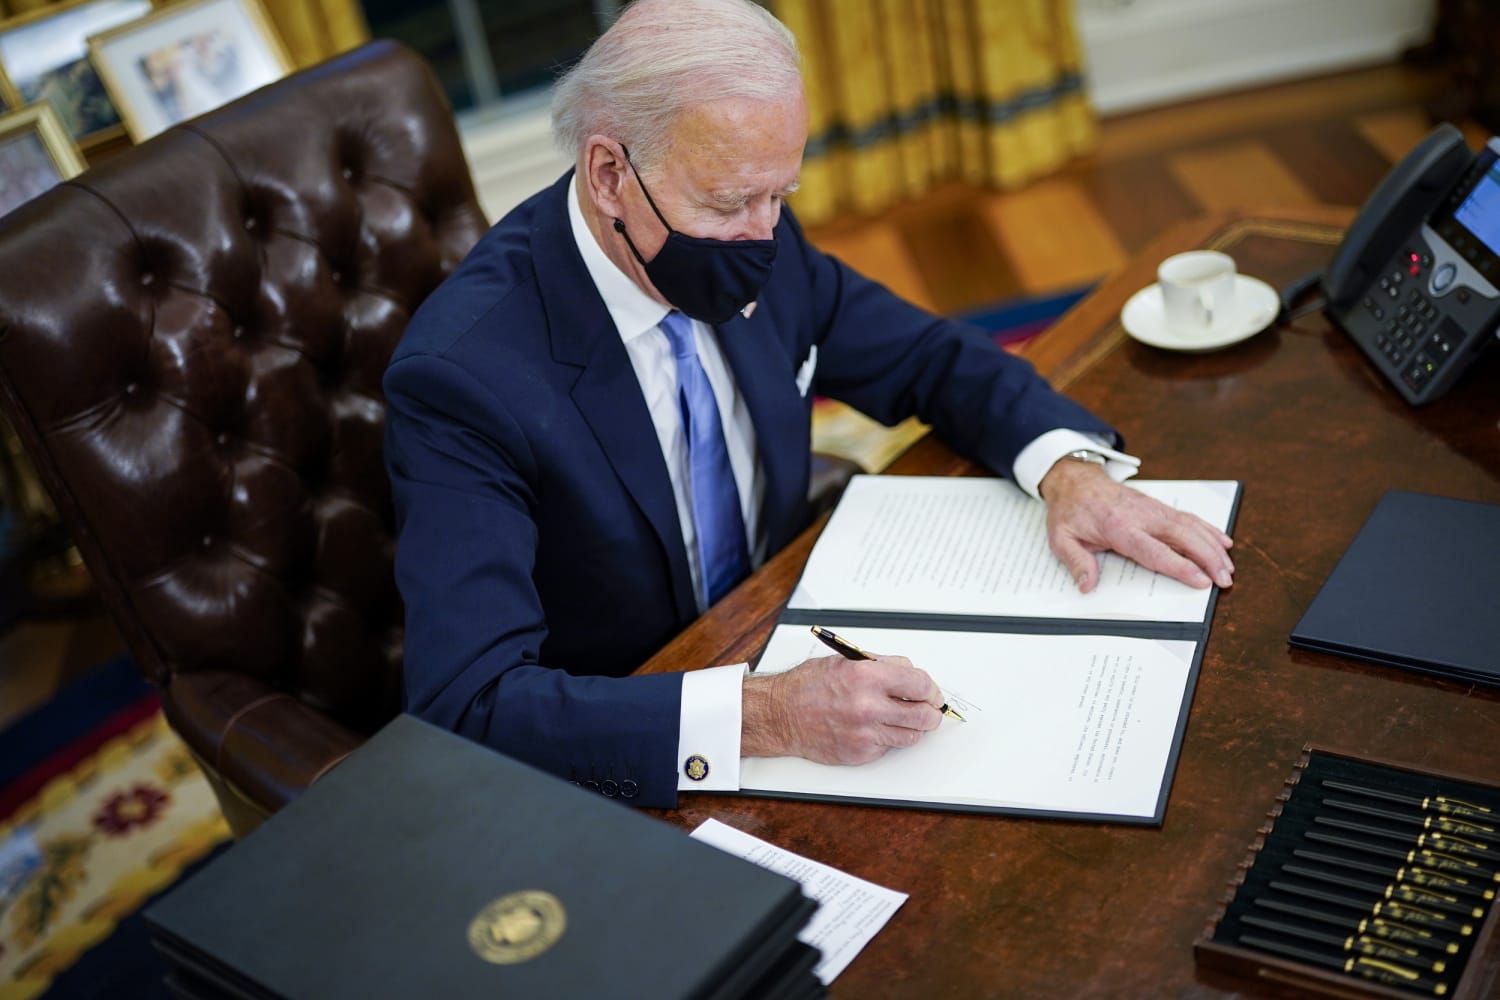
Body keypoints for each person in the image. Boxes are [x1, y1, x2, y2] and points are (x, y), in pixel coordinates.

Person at [383, 0, 1235, 809]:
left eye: (780, 195)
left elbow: (925, 357)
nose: (766, 236)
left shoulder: (748, 224)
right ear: (610, 174)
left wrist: (1067, 469)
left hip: (792, 612)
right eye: (728, 204)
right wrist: (767, 716)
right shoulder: (464, 381)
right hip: (640, 733)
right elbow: (470, 705)